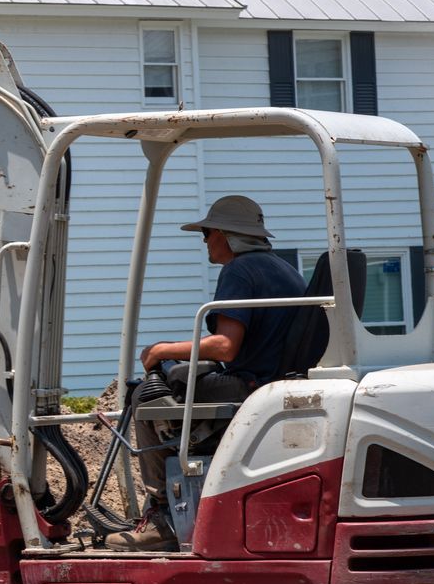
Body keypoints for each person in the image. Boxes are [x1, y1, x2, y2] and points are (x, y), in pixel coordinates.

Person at [106, 195, 306, 552]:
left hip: (248, 386)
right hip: (276, 381)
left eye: (207, 233)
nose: (205, 242)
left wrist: (161, 352)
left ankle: (163, 517)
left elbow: (225, 347)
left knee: (144, 396)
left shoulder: (239, 271)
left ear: (225, 235)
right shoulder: (283, 269)